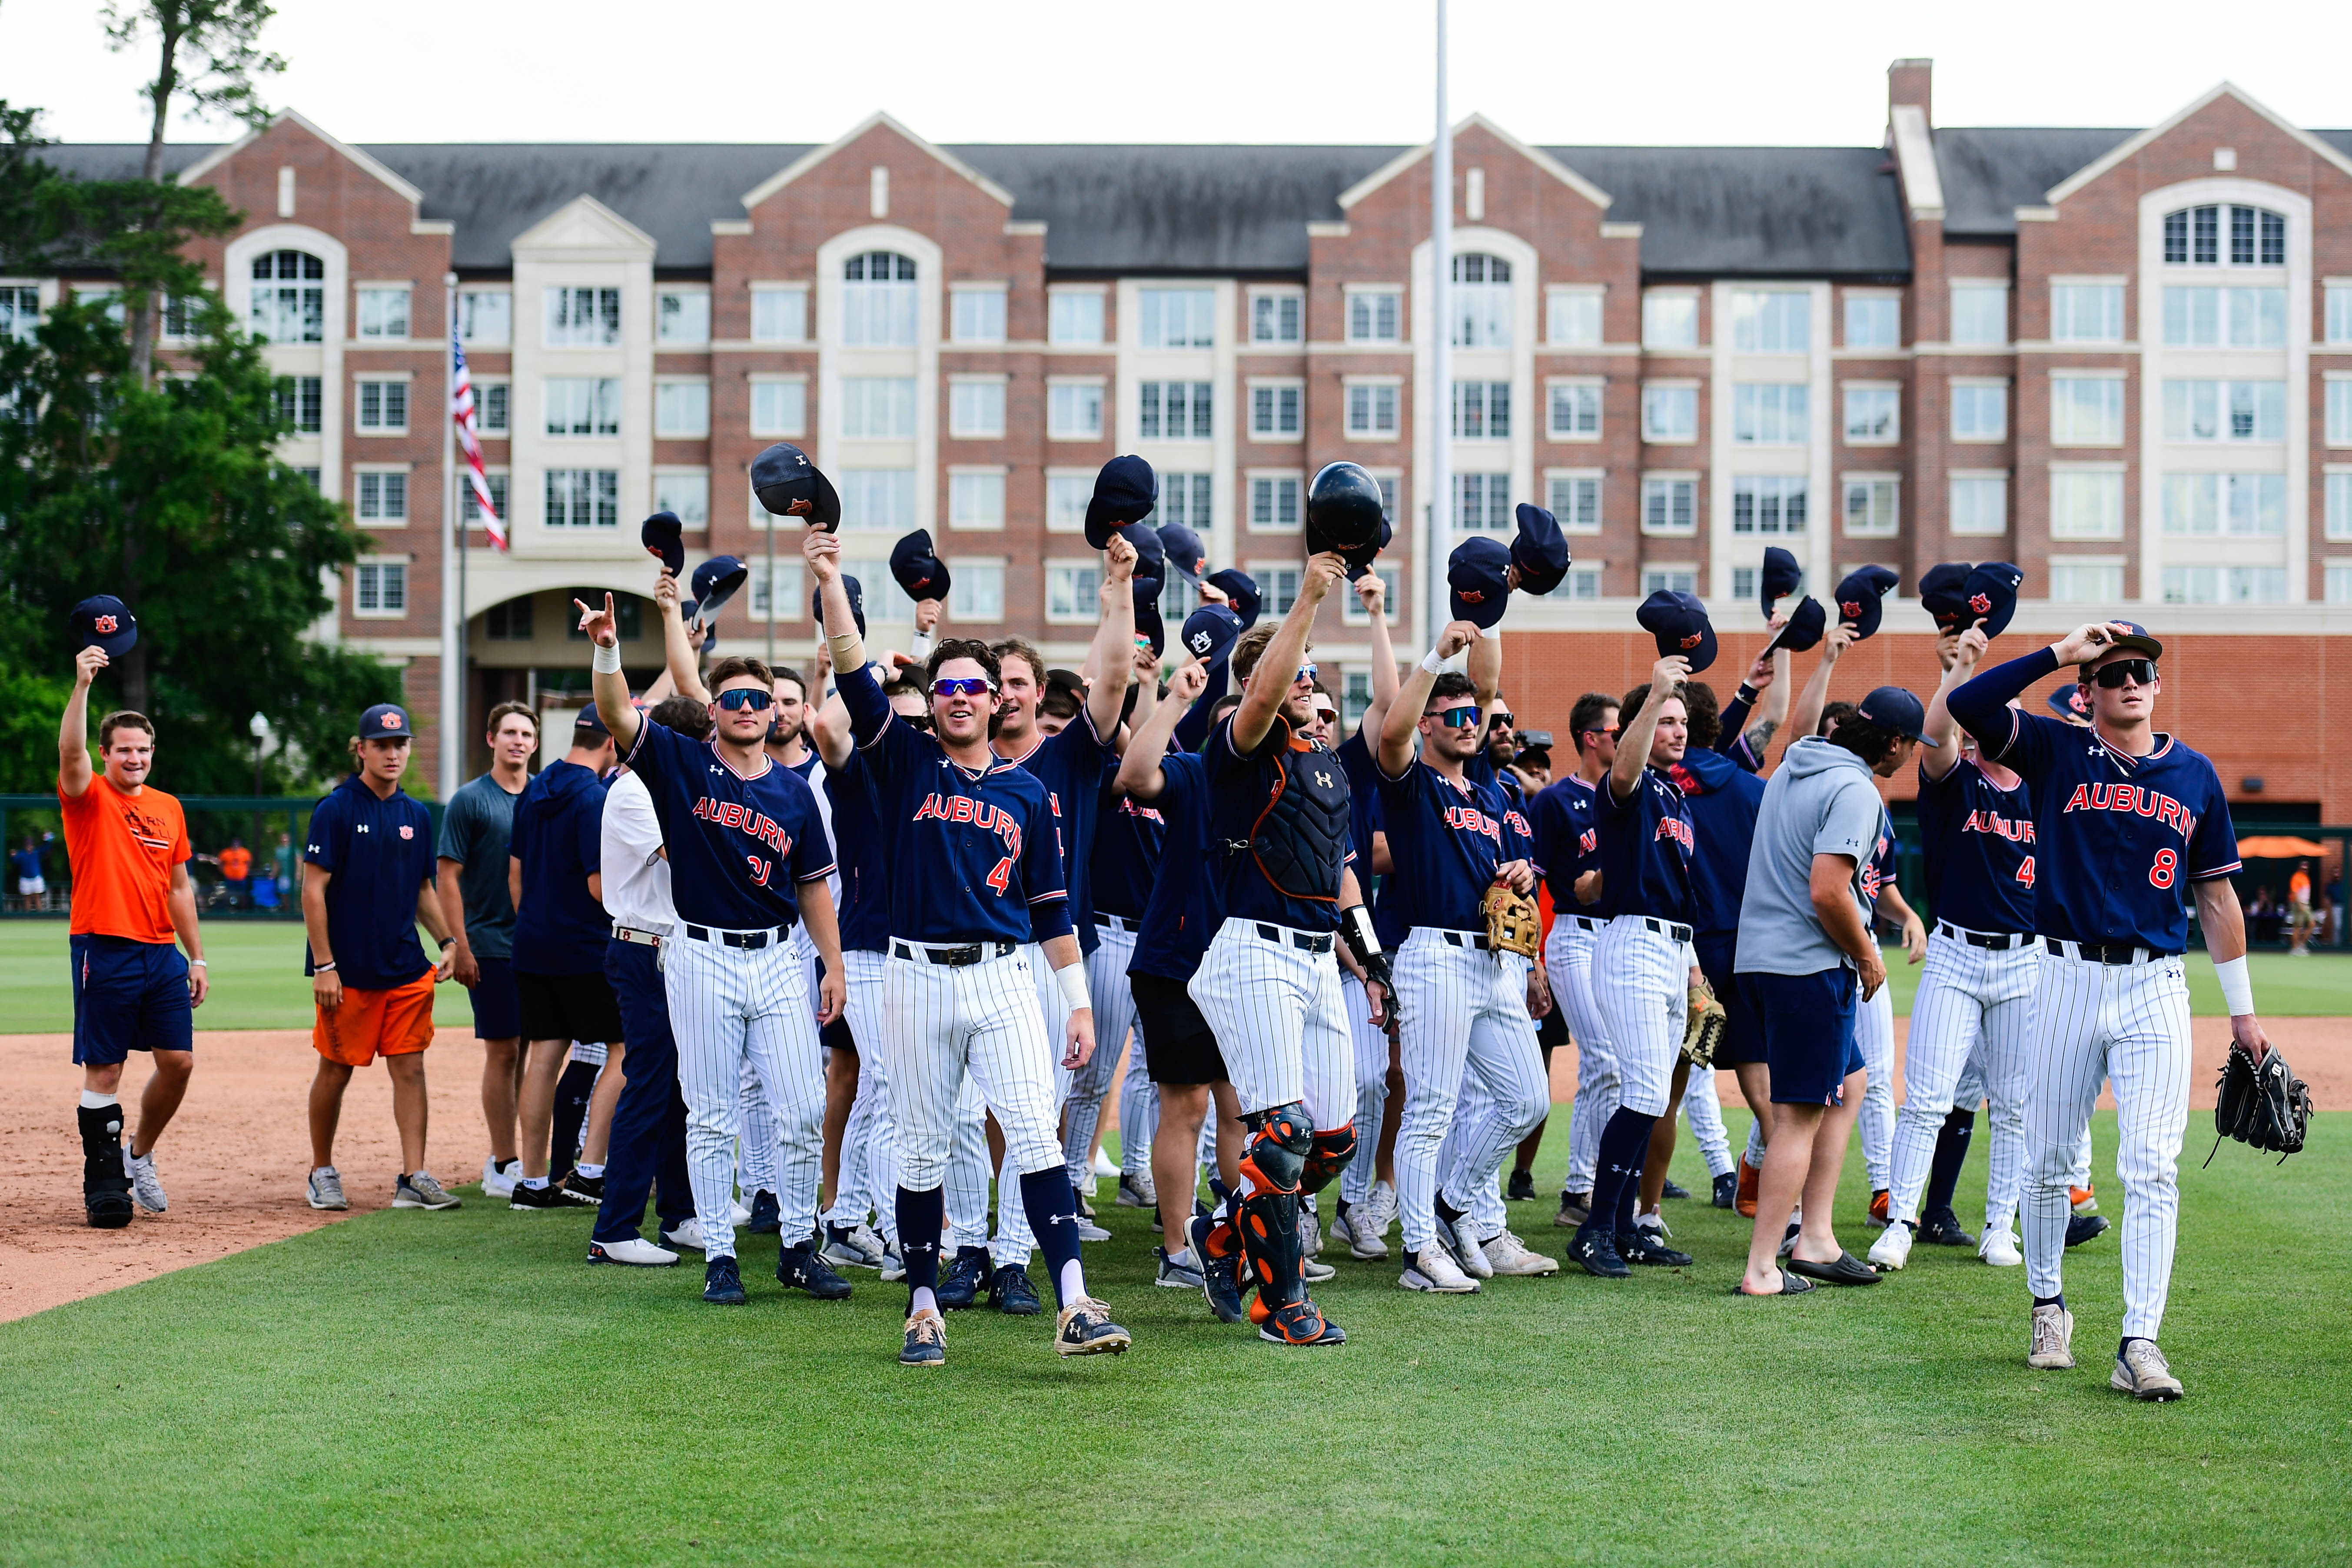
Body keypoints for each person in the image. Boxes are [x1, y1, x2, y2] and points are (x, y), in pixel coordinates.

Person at [804, 525, 1129, 1367]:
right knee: (919, 1144)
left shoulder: (1027, 793)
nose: (958, 698)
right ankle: (921, 1304)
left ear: (997, 702)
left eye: (973, 688)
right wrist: (833, 579)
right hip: (912, 977)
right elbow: (847, 665)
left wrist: (1081, 1005)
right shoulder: (906, 762)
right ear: (933, 697)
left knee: (1034, 1132)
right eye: (945, 685)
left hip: (1003, 978)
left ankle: (1075, 1302)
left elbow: (1052, 913)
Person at [1948, 620, 2266, 1401]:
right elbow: (1969, 701)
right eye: (2114, 670)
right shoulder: (2055, 749)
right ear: (2090, 687)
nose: (2130, 680)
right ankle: (2048, 1305)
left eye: (2141, 671)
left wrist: (2243, 1013)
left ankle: (2139, 1341)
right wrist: (2060, 653)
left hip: (2155, 983)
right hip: (2059, 976)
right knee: (2051, 1157)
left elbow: (2217, 896)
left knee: (2152, 1164)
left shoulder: (2194, 773)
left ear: (2157, 686)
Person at [581, 591, 852, 1310]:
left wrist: (833, 961)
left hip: (775, 954)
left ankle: (799, 1245)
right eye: (731, 695)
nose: (745, 706)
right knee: (710, 1112)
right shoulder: (679, 762)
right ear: (717, 709)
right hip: (700, 953)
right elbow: (615, 714)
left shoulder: (795, 792)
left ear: (773, 710)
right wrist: (607, 647)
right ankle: (723, 1257)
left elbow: (813, 887)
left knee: (799, 1107)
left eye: (757, 697)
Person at [1183, 551, 1381, 1347]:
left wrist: (1372, 962)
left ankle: (1226, 1234)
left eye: (1308, 671)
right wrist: (1309, 597)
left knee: (1333, 1137)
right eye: (1289, 671)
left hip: (1313, 957)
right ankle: (1282, 1306)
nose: (1302, 681)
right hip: (1251, 951)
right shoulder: (1238, 742)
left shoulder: (1325, 765)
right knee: (1286, 1130)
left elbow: (1340, 878)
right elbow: (1261, 692)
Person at [1733, 687, 1930, 1294]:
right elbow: (1828, 890)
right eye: (1910, 747)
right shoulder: (1855, 790)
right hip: (1807, 966)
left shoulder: (1798, 761)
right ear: (1893, 743)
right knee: (1798, 1116)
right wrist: (1867, 955)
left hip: (1764, 959)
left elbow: (1798, 726)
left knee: (1853, 1081)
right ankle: (1763, 1268)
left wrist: (1828, 654)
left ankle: (1816, 1238)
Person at [1376, 638, 1553, 1289]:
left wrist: (1521, 876)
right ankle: (1418, 1251)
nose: (1468, 724)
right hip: (1434, 956)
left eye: (1473, 715)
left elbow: (1516, 880)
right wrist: (1432, 661)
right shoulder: (1413, 784)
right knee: (1430, 1108)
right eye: (1454, 715)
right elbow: (1393, 733)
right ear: (1429, 723)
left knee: (1527, 1099)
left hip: (1495, 963)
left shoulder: (1489, 797)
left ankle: (1454, 1203)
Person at [1870, 631, 2038, 1275]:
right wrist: (1962, 671)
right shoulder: (1952, 777)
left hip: (2026, 960)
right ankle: (1900, 1224)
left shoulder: (2038, 786)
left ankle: (2002, 1226)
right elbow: (1936, 734)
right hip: (1956, 953)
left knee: (2016, 1103)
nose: (1993, 725)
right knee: (1928, 1097)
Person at [58, 647, 206, 1226]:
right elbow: (70, 753)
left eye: (144, 750)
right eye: (125, 750)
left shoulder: (169, 808)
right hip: (105, 946)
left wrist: (197, 957)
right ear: (107, 754)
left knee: (179, 1062)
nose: (136, 759)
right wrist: (82, 686)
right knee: (106, 1070)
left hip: (160, 953)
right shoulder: (88, 796)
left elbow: (180, 888)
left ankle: (137, 1155)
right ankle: (104, 1185)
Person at [1115, 667, 1250, 1299]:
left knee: (1243, 1109)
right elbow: (1135, 777)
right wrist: (1174, 701)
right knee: (1188, 1103)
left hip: (1246, 965)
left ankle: (1243, 1237)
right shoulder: (1194, 772)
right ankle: (1177, 1246)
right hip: (1177, 959)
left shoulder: (1277, 782)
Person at [1571, 660, 1703, 1279]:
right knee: (1646, 1092)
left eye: (1681, 720)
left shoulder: (1676, 793)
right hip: (1633, 943)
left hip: (1674, 948)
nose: (1678, 729)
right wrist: (1653, 695)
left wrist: (1695, 966)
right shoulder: (1629, 787)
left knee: (1654, 1098)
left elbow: (1679, 882)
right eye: (1666, 720)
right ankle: (1597, 1229)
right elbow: (1623, 769)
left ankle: (1624, 1227)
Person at [301, 704, 458, 1213]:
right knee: (336, 1070)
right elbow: (313, 889)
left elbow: (422, 889)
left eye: (400, 744)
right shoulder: (336, 808)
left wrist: (448, 941)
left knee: (410, 1070)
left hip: (406, 968)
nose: (393, 753)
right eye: (382, 744)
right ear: (362, 748)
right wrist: (325, 965)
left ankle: (413, 1176)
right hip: (349, 973)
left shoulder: (415, 813)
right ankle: (321, 1170)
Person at [586, 693, 708, 1267]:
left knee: (680, 1089)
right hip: (644, 948)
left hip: (669, 949)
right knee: (649, 1083)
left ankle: (679, 1214)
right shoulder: (634, 791)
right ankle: (615, 1228)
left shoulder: (661, 787)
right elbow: (687, 856)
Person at [506, 704, 624, 1208]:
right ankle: (590, 1171)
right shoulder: (595, 797)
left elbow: (516, 875)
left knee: (544, 1056)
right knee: (627, 1049)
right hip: (585, 948)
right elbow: (600, 887)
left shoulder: (535, 788)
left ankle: (532, 1182)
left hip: (533, 942)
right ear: (612, 742)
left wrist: (536, 923)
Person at [436, 699, 538, 1196]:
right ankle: (503, 1161)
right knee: (503, 1052)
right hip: (491, 942)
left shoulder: (543, 794)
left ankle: (524, 1154)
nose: (518, 740)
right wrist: (460, 943)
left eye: (526, 734)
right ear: (491, 739)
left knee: (531, 1053)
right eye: (510, 732)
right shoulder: (471, 800)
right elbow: (447, 878)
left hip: (539, 945)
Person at [1529, 692, 1617, 1230]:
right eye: (1615, 730)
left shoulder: (1629, 794)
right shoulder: (1556, 801)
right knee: (1604, 1059)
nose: (1623, 736)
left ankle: (1596, 1185)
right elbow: (1531, 883)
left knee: (1613, 1066)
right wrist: (1534, 961)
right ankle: (1580, 1189)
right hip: (1573, 937)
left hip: (1623, 940)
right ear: (1590, 737)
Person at [10, 832, 51, 911]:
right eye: (28, 845)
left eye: (31, 845)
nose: (29, 846)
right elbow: (15, 861)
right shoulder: (22, 854)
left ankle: (40, 916)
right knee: (27, 898)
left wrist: (48, 840)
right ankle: (28, 917)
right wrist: (13, 856)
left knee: (37, 897)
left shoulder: (37, 853)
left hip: (36, 878)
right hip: (25, 879)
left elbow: (46, 849)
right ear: (25, 846)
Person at [2287, 860, 2314, 956]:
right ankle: (2294, 949)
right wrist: (2300, 905)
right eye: (2303, 869)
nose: (2305, 870)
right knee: (2298, 926)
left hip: (2306, 904)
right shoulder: (2296, 877)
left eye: (2306, 869)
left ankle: (2301, 945)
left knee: (2312, 923)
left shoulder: (2306, 878)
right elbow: (2294, 893)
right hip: (2298, 904)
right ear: (2300, 868)